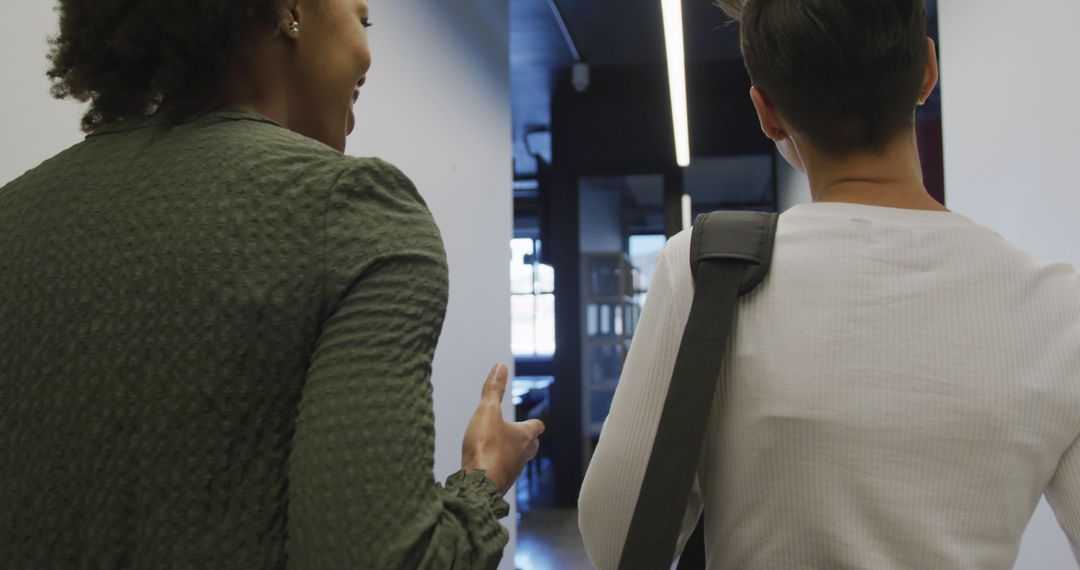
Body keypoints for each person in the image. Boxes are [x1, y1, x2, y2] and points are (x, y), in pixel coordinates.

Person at [0, 0, 543, 568]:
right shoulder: (355, 209)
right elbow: (382, 559)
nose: (367, 55)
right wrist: (483, 479)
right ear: (289, 11)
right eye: (362, 20)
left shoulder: (13, 215)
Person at [579, 0, 1080, 568]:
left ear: (767, 112)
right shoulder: (1058, 308)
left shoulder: (707, 271)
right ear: (927, 70)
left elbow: (616, 541)